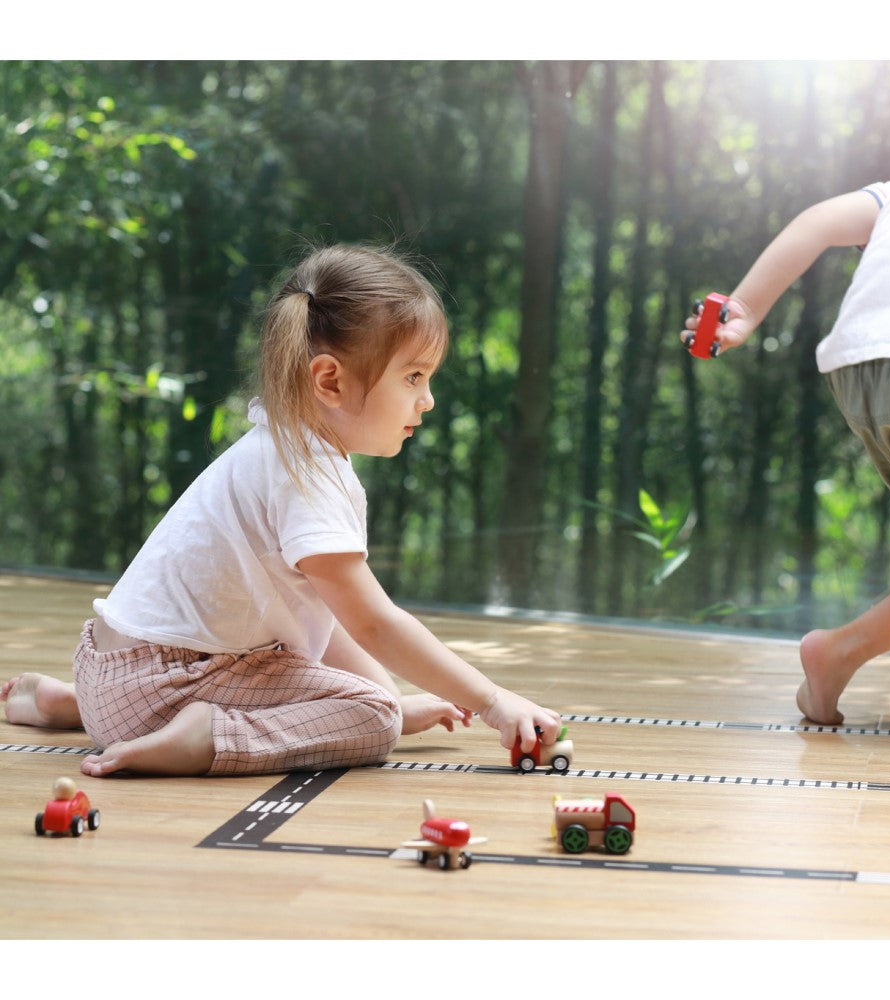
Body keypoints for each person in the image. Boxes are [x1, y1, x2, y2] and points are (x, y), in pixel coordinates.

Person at [2, 243, 563, 776]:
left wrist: (389, 696)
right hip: (164, 687)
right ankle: (206, 738)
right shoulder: (307, 474)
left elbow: (326, 618)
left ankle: (76, 705)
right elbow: (372, 622)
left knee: (378, 705)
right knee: (372, 722)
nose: (428, 398)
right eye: (414, 377)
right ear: (329, 380)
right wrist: (490, 701)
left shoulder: (280, 445)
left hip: (116, 671)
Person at [683, 128, 890, 725]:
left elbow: (819, 223)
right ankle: (839, 652)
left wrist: (745, 309)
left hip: (863, 373)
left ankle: (837, 657)